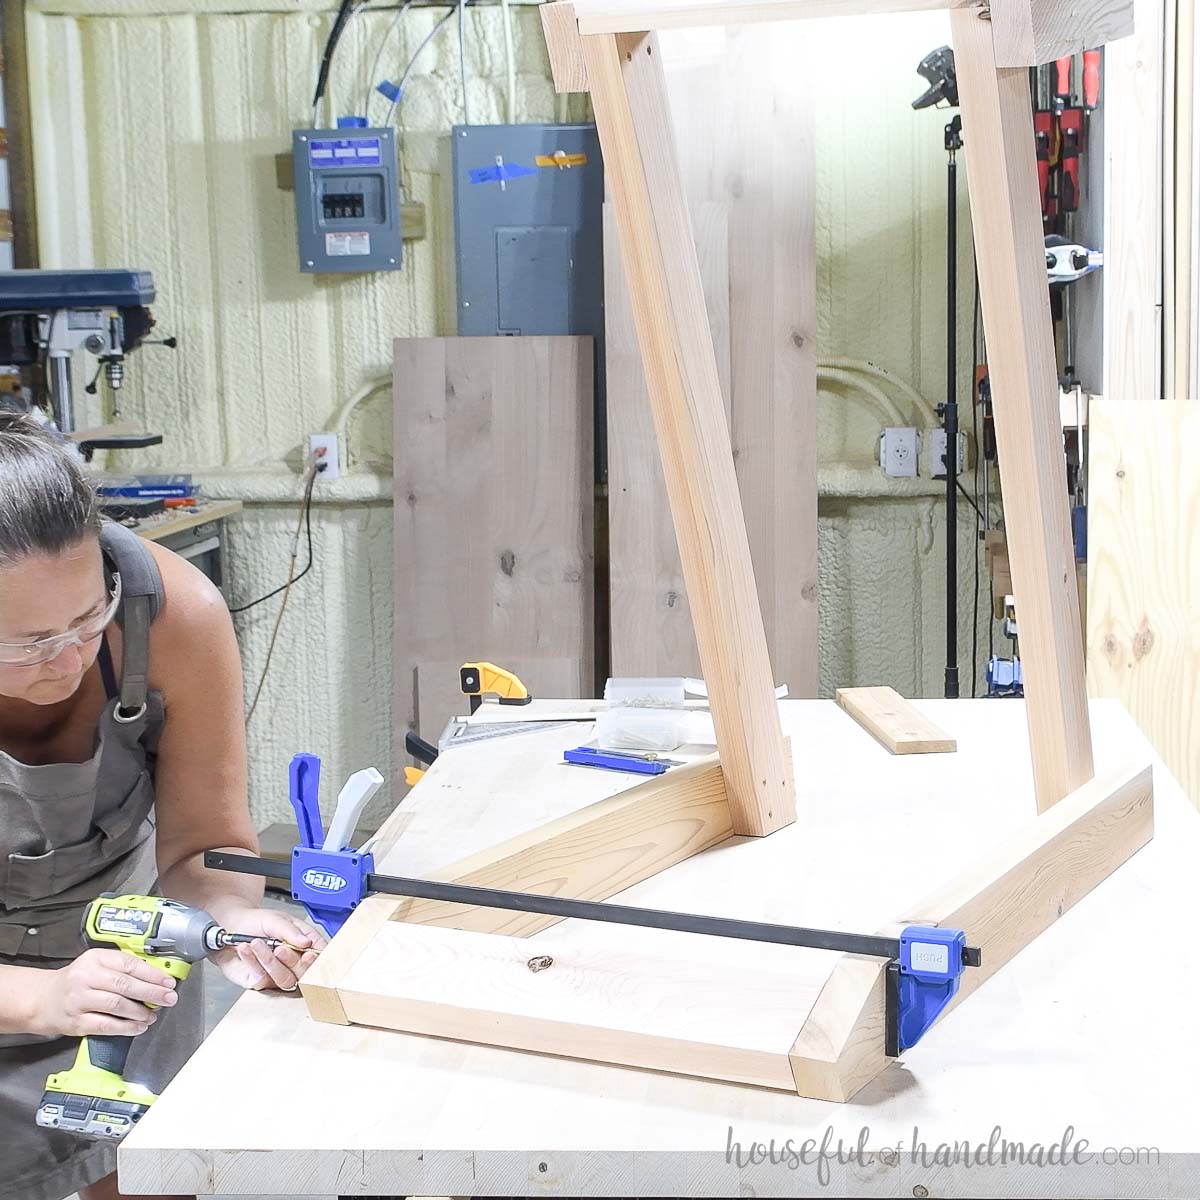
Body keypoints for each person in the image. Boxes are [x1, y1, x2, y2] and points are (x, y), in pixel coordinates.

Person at [0, 412, 327, 1200]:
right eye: (29, 643)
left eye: (87, 621)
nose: (72, 661)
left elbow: (206, 848)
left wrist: (229, 924)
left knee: (154, 1170)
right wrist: (44, 997)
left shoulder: (173, 612)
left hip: (125, 978)